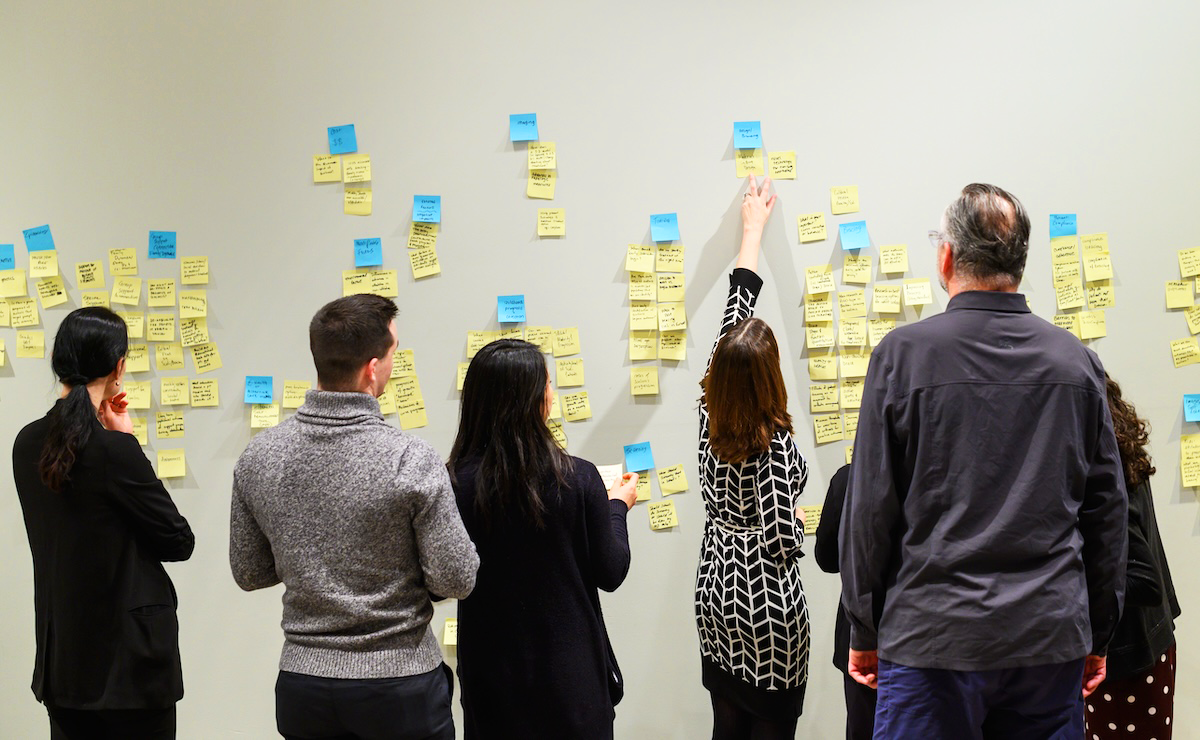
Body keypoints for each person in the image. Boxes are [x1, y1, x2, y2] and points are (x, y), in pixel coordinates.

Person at [840, 183, 1129, 738]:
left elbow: (870, 510)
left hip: (932, 640)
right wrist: (1098, 633)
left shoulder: (901, 358)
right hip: (1048, 639)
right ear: (1020, 261)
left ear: (946, 256)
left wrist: (863, 627)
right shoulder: (1078, 365)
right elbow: (1107, 514)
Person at [230, 294, 479, 740]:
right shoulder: (410, 458)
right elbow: (457, 578)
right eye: (393, 353)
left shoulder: (259, 457)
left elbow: (249, 572)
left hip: (303, 685)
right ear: (371, 368)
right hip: (399, 684)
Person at [12, 307, 195, 739]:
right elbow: (178, 540)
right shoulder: (113, 449)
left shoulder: (25, 444)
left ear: (59, 359)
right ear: (118, 368)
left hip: (64, 660)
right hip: (130, 663)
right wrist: (126, 439)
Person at [447, 338, 639, 740]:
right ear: (533, 399)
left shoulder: (451, 482)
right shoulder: (578, 477)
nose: (552, 393)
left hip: (490, 677)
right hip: (572, 680)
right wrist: (617, 507)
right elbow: (611, 570)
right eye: (547, 384)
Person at [695, 174, 811, 740]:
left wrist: (752, 230)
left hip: (717, 587)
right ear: (769, 379)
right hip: (765, 605)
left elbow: (735, 306)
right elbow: (784, 539)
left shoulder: (708, 409)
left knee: (727, 722)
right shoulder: (774, 444)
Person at [1085, 374, 1181, 738]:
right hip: (1149, 640)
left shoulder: (1102, 470)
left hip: (1125, 655)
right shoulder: (1119, 450)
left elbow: (1141, 579)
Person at [814, 464, 876, 740]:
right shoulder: (937, 473)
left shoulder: (850, 477)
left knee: (864, 728)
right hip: (930, 633)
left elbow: (827, 558)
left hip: (863, 632)